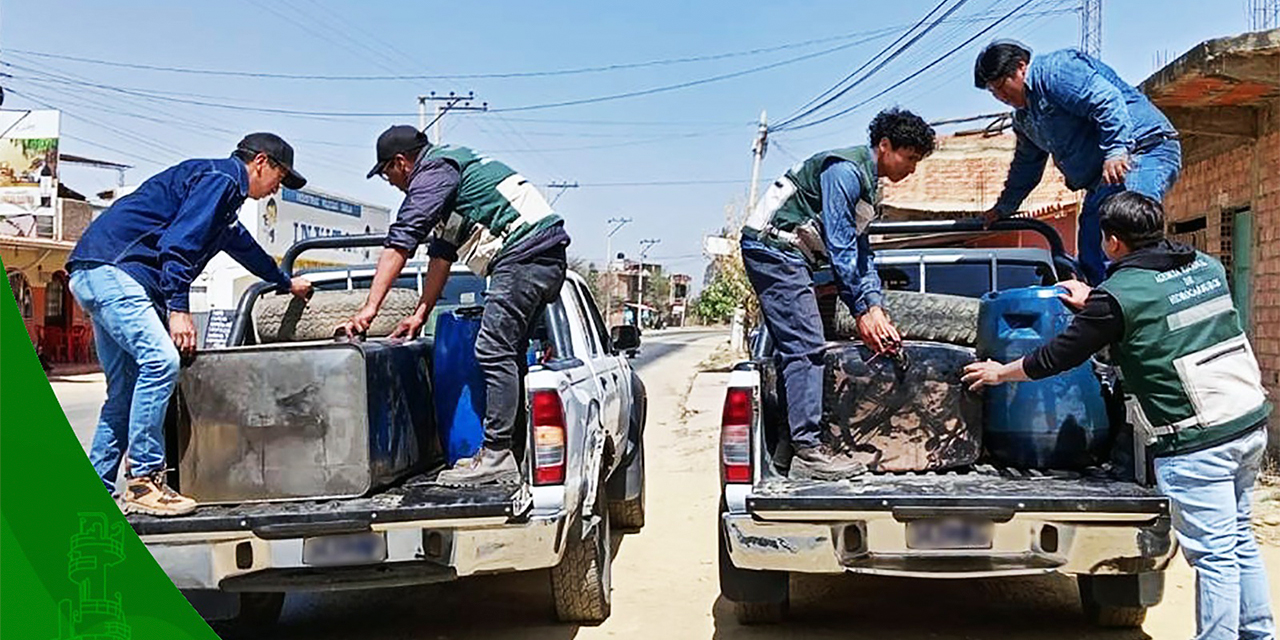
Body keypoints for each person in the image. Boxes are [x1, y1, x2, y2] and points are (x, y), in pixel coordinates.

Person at [962, 192, 1274, 640]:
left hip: (1196, 439)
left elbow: (1056, 356)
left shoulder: (1117, 297)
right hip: (1246, 421)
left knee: (1214, 556)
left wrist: (999, 372)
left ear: (1111, 242)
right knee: (1239, 539)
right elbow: (1161, 310)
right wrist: (1096, 301)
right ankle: (1258, 634)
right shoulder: (1207, 267)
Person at [66, 133, 314, 516]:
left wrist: (285, 282)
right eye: (279, 176)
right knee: (162, 361)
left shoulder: (218, 199)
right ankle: (145, 480)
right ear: (260, 162)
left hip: (91, 272)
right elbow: (178, 245)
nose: (277, 188)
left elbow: (243, 246)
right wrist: (178, 310)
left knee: (125, 392)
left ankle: (92, 489)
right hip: (116, 273)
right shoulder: (224, 180)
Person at [339, 125, 570, 486]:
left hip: (526, 256)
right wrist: (420, 313)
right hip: (541, 256)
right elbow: (442, 256)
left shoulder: (433, 173)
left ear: (401, 162)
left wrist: (369, 309)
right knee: (508, 353)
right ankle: (509, 449)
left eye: (387, 173)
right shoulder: (452, 176)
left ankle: (496, 456)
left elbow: (401, 240)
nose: (390, 182)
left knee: (493, 350)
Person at [740, 107, 935, 480]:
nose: (911, 169)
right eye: (909, 158)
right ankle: (808, 453)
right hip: (774, 249)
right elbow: (842, 247)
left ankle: (787, 446)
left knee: (797, 350)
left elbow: (864, 256)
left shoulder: (865, 183)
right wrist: (861, 310)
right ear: (884, 145)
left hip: (792, 254)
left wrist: (874, 305)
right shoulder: (845, 172)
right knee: (806, 345)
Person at [973, 40, 1181, 285]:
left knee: (1129, 227)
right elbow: (1025, 167)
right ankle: (1103, 308)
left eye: (1001, 86)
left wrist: (1116, 150)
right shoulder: (1025, 119)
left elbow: (1106, 101)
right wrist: (1004, 208)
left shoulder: (1056, 71)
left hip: (1144, 150)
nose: (1001, 97)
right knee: (1093, 249)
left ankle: (1160, 297)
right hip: (1103, 178)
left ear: (1021, 67)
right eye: (993, 92)